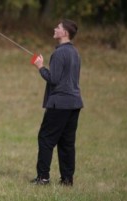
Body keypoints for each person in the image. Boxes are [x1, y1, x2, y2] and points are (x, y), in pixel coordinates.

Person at [31, 19, 83, 186]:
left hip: (59, 104)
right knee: (67, 142)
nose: (55, 28)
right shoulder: (75, 52)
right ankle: (67, 180)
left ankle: (43, 178)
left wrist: (40, 66)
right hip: (74, 103)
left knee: (45, 138)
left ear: (65, 33)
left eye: (58, 27)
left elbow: (53, 79)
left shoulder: (60, 53)